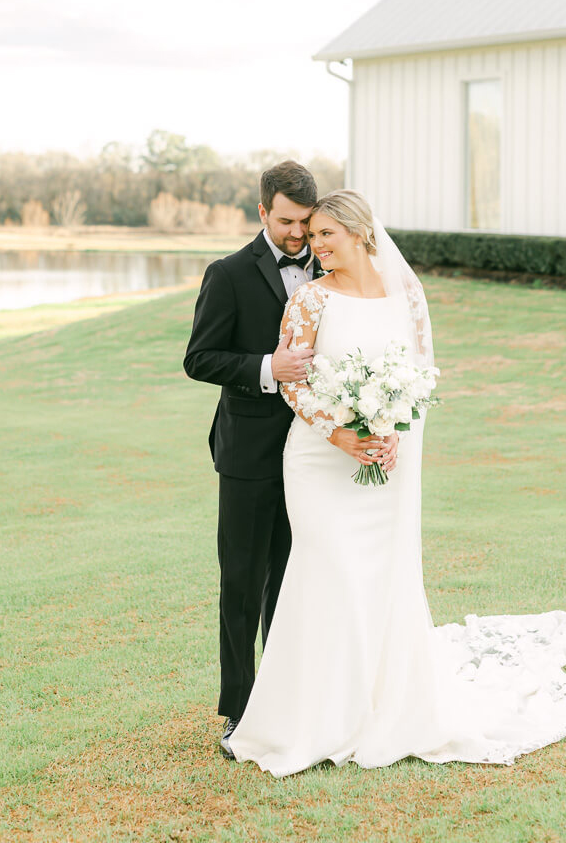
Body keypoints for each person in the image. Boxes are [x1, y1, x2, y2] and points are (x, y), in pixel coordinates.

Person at [226, 189, 566, 776]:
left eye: (328, 233)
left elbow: (419, 378)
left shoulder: (405, 296)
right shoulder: (309, 300)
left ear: (360, 233)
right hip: (317, 458)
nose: (316, 244)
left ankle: (382, 706)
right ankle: (312, 717)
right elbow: (292, 382)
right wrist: (340, 434)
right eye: (313, 234)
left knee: (379, 576)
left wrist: (393, 432)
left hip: (386, 460)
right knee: (326, 567)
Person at [182, 164, 397, 757]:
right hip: (250, 454)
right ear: (261, 213)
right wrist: (264, 369)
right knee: (244, 583)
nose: (300, 234)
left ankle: (292, 699)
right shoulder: (226, 274)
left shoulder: (331, 272)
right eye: (288, 222)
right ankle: (239, 708)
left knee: (297, 582)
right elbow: (199, 358)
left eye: (308, 222)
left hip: (318, 460)